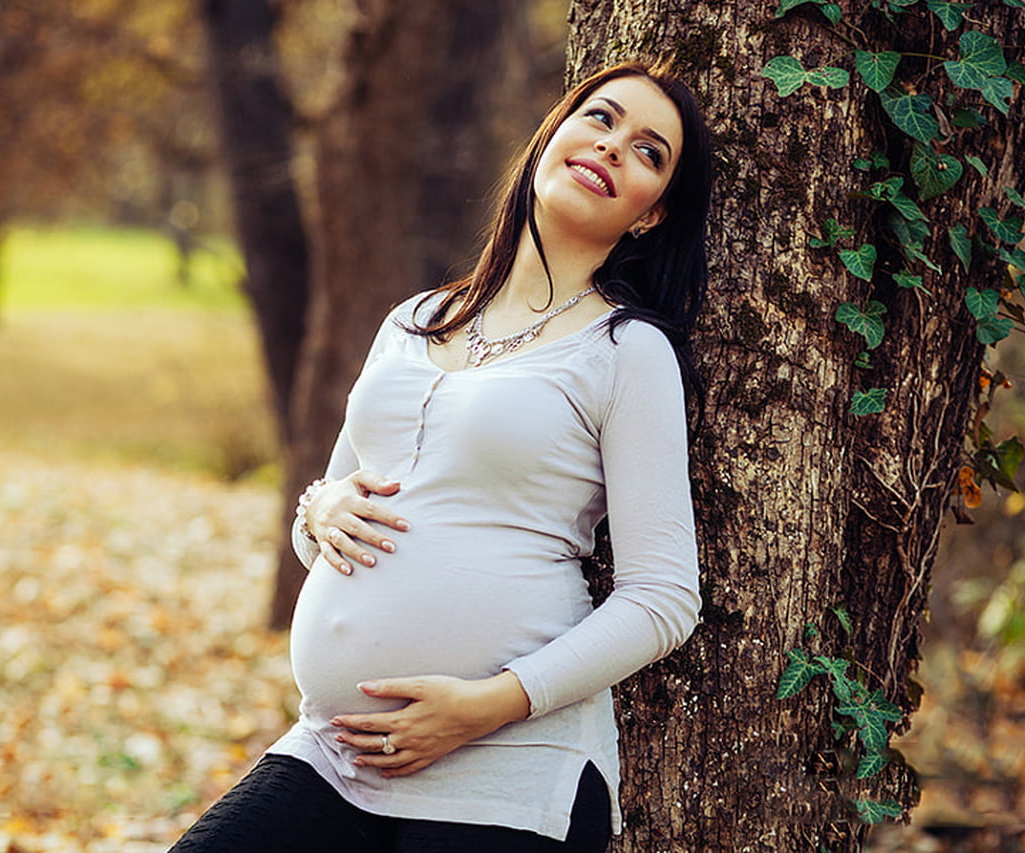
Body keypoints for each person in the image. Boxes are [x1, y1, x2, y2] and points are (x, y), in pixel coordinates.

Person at [169, 59, 713, 853]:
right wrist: (316, 508)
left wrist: (488, 704)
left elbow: (664, 597)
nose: (612, 146)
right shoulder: (415, 319)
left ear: (650, 215)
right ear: (553, 135)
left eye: (648, 151)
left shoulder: (625, 351)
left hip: (508, 770)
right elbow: (329, 508)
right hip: (334, 754)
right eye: (600, 118)